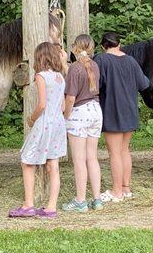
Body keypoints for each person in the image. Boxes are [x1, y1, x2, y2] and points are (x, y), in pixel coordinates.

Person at [9, 42, 67, 219]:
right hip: (58, 123)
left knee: (27, 161)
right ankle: (51, 208)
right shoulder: (60, 77)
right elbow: (63, 106)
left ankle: (28, 204)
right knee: (53, 165)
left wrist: (31, 119)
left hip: (45, 123)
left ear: (40, 57)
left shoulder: (41, 76)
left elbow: (41, 104)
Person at [94, 32, 150, 203]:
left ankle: (116, 191)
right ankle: (126, 188)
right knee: (125, 150)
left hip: (112, 110)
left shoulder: (101, 59)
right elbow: (144, 84)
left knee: (114, 153)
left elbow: (95, 84)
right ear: (119, 44)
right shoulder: (131, 60)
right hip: (130, 111)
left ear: (103, 46)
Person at [62, 34, 104, 213]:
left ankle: (80, 200)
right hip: (96, 111)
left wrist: (65, 116)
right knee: (92, 158)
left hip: (79, 112)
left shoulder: (75, 68)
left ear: (75, 48)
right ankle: (97, 199)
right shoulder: (94, 65)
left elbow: (70, 98)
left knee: (79, 160)